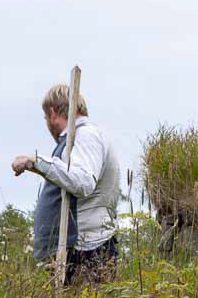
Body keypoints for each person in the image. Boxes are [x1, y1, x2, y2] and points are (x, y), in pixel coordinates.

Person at [12, 83, 121, 285]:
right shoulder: (77, 138)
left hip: (87, 251)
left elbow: (83, 181)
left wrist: (36, 162)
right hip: (78, 251)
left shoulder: (86, 135)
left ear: (52, 113)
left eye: (45, 118)